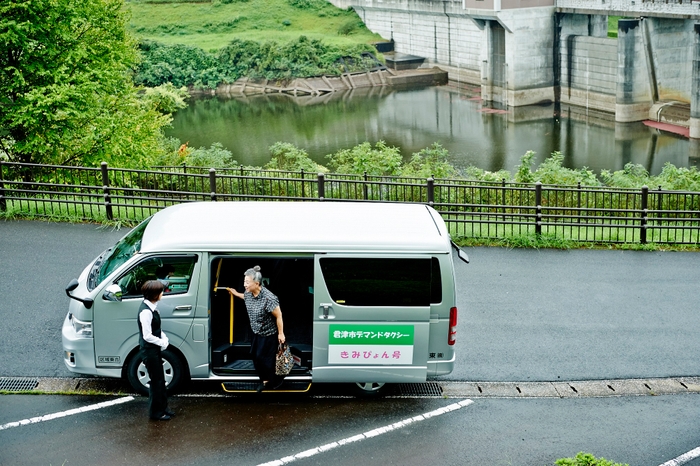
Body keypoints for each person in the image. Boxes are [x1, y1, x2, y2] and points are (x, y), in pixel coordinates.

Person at [230, 266, 286, 392]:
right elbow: (245, 297)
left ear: (257, 283)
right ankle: (264, 378)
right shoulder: (249, 293)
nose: (244, 285)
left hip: (268, 334)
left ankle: (272, 381)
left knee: (264, 358)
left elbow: (279, 315)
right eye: (244, 282)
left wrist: (281, 334)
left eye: (247, 282)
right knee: (255, 356)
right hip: (255, 331)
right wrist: (235, 293)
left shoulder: (269, 298)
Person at [137, 280, 175, 420]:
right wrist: (162, 342)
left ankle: (164, 408)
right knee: (156, 382)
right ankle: (156, 413)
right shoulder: (145, 312)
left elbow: (157, 329)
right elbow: (147, 335)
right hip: (149, 351)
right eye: (161, 292)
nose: (162, 294)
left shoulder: (152, 307)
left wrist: (164, 339)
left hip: (154, 349)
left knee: (161, 380)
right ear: (155, 294)